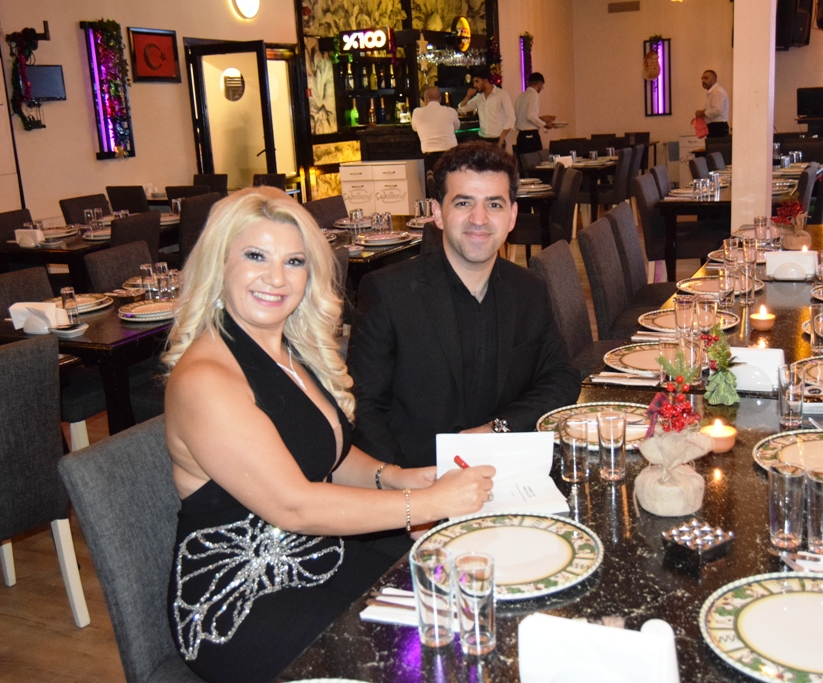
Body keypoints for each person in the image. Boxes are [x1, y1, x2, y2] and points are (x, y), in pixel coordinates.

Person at [161, 187, 494, 683]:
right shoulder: (205, 380)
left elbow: (325, 455)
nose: (277, 278)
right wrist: (426, 504)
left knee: (456, 601)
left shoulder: (287, 349)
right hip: (240, 600)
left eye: (294, 261)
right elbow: (293, 505)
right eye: (255, 256)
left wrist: (395, 477)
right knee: (420, 653)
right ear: (219, 264)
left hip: (314, 556)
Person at [347, 142, 580, 470]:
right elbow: (364, 409)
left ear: (512, 216)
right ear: (438, 213)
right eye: (463, 202)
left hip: (508, 473)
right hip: (418, 479)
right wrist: (406, 484)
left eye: (494, 204)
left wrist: (497, 429)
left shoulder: (529, 289)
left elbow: (561, 378)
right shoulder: (388, 293)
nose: (479, 219)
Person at [458, 68, 515, 149]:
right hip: (482, 139)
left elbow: (511, 118)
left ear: (485, 81)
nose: (474, 85)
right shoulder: (479, 97)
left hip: (497, 139)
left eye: (477, 81)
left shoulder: (502, 94)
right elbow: (462, 109)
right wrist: (468, 96)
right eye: (474, 82)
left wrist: (502, 138)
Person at [412, 85, 461, 173]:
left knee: (432, 176)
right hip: (450, 153)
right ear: (440, 99)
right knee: (448, 178)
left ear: (425, 99)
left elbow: (414, 128)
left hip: (430, 154)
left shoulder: (417, 113)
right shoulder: (450, 111)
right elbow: (457, 127)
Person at [514, 72, 555, 155]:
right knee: (536, 161)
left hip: (521, 136)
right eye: (542, 86)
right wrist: (544, 124)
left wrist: (540, 119)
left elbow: (520, 116)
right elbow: (530, 115)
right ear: (540, 84)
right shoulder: (534, 94)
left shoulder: (520, 96)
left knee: (523, 162)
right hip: (531, 136)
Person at [697, 69, 730, 138]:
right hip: (714, 127)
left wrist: (703, 113)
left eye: (706, 78)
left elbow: (717, 110)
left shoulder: (717, 92)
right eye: (702, 78)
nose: (703, 81)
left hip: (717, 128)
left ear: (714, 79)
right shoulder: (712, 92)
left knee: (716, 145)